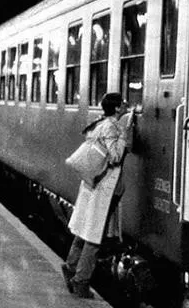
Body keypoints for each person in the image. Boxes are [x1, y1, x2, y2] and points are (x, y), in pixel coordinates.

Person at [61, 92, 134, 298]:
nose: (127, 106)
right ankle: (81, 281)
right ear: (118, 108)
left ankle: (70, 267)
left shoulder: (98, 123)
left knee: (84, 228)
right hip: (102, 187)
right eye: (124, 103)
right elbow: (116, 156)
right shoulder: (112, 127)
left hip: (91, 183)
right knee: (94, 235)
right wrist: (124, 134)